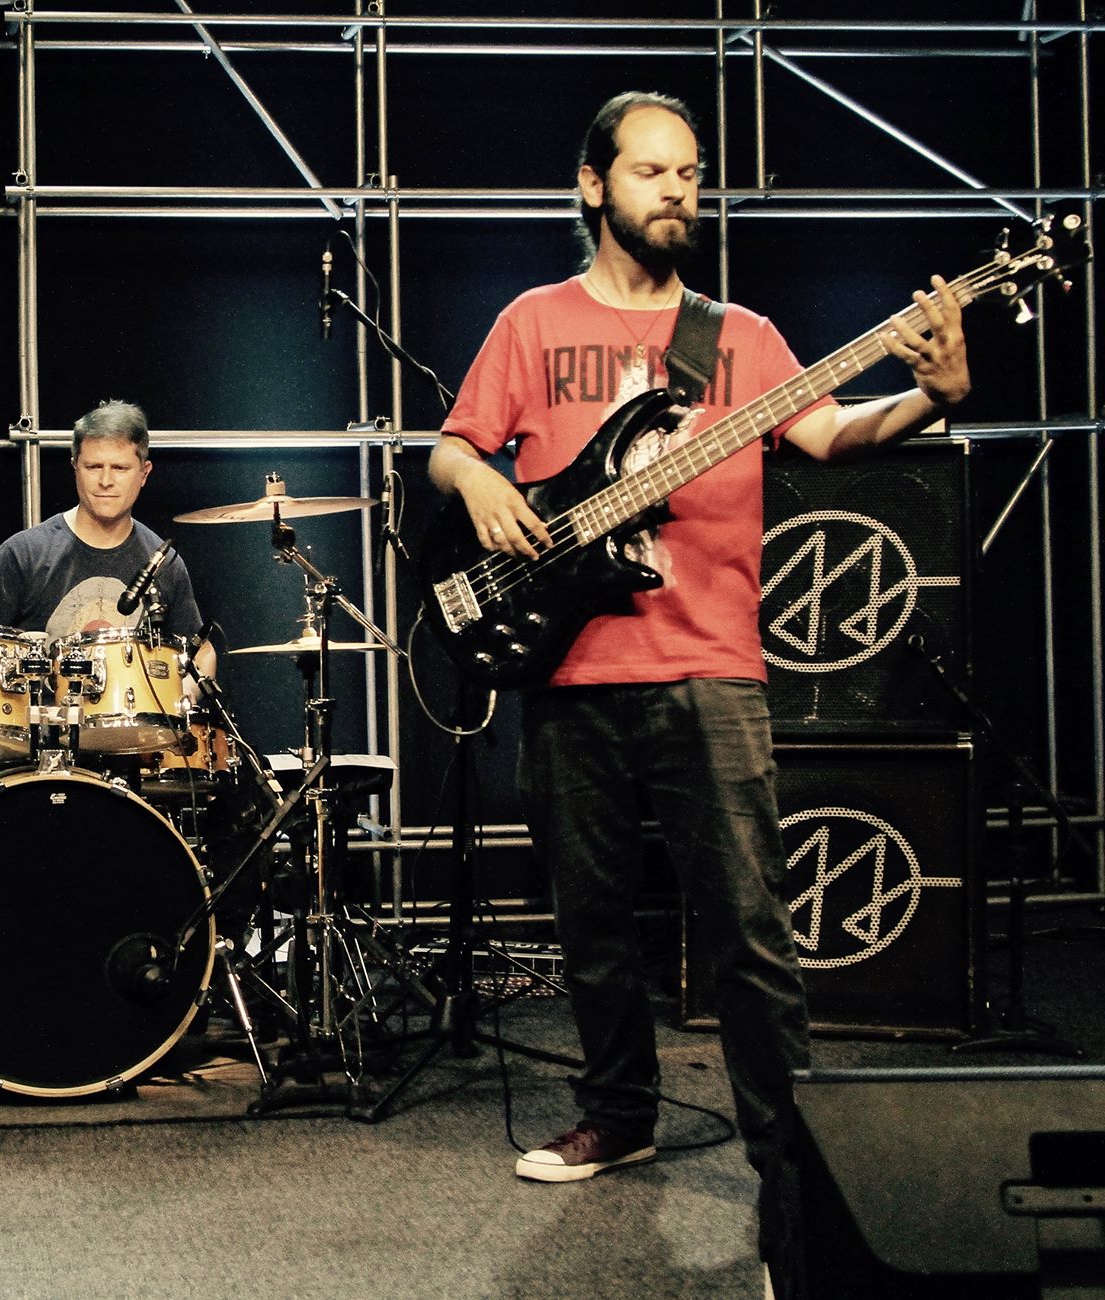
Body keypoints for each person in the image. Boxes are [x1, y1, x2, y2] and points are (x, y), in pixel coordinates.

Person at [427, 89, 969, 1257]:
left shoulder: (740, 339)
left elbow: (830, 436)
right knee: (590, 923)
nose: (677, 189)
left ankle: (791, 1165)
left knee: (748, 932)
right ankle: (618, 1113)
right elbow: (452, 446)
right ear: (592, 185)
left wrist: (930, 394)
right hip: (568, 663)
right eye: (651, 170)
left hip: (707, 666)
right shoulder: (530, 321)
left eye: (688, 171)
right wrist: (477, 482)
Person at [0, 400, 216, 677]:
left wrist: (187, 691)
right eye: (94, 466)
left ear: (144, 473)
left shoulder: (163, 563)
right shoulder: (24, 553)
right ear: (75, 466)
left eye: (120, 468)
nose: (105, 481)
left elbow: (201, 653)